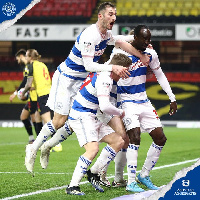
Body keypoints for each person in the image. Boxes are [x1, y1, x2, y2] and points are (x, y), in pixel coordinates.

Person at [24, 2, 150, 173]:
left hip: (81, 80)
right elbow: (89, 65)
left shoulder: (105, 34)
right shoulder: (90, 35)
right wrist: (112, 67)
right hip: (67, 79)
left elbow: (119, 41)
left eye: (115, 14)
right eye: (110, 14)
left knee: (73, 120)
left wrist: (140, 51)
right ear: (100, 16)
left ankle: (47, 146)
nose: (114, 17)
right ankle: (33, 148)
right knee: (59, 121)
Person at [100, 25, 177, 192]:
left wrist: (172, 98)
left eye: (149, 39)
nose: (148, 42)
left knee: (160, 138)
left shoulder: (151, 53)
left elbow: (160, 75)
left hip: (143, 101)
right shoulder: (119, 53)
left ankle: (144, 175)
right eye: (144, 39)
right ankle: (131, 182)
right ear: (135, 37)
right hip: (125, 101)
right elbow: (107, 71)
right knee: (134, 137)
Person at [66, 53, 132, 195]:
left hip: (92, 114)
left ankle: (94, 173)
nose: (124, 74)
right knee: (92, 149)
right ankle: (72, 186)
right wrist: (121, 112)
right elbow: (105, 107)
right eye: (124, 70)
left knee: (118, 141)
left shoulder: (105, 72)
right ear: (118, 68)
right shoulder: (105, 79)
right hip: (81, 115)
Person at [9, 49, 42, 143]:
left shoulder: (29, 66)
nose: (17, 61)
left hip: (35, 96)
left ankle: (39, 141)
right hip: (31, 95)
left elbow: (25, 82)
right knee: (24, 117)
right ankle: (32, 139)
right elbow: (25, 81)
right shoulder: (27, 66)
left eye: (17, 59)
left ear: (21, 56)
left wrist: (18, 93)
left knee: (35, 118)